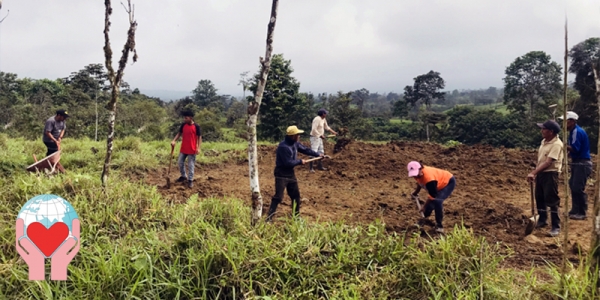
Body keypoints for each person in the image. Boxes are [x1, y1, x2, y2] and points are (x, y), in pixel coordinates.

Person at [267, 125, 328, 221]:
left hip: (290, 173)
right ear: (292, 136)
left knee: (295, 196)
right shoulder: (283, 147)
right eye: (298, 135)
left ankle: (296, 216)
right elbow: (287, 163)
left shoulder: (295, 143)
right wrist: (300, 161)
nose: (299, 136)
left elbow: (306, 150)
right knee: (278, 197)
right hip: (281, 173)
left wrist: (318, 154)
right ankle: (269, 218)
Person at [528, 120, 564, 237]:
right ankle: (542, 220)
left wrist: (534, 172)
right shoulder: (544, 141)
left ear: (551, 131)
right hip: (542, 173)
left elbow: (548, 162)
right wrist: (537, 172)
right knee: (539, 197)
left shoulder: (557, 144)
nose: (541, 131)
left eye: (544, 129)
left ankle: (556, 226)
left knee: (551, 199)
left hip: (551, 174)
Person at [559, 111, 592, 220]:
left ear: (571, 122)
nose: (564, 124)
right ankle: (575, 209)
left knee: (577, 187)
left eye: (565, 122)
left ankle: (582, 212)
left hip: (582, 163)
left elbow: (575, 148)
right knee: (572, 184)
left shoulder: (576, 132)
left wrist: (563, 145)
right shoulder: (574, 131)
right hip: (578, 161)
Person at [408, 161, 456, 233]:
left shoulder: (429, 178)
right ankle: (423, 220)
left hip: (448, 182)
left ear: (420, 168)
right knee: (431, 204)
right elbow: (420, 182)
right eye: (414, 175)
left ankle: (439, 226)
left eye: (416, 174)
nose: (415, 176)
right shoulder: (417, 175)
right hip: (437, 183)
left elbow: (432, 195)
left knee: (437, 201)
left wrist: (424, 207)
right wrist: (415, 193)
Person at [171, 111, 202, 188]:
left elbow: (199, 137)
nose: (184, 119)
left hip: (192, 149)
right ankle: (183, 176)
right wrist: (174, 140)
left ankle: (190, 180)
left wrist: (198, 148)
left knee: (191, 165)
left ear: (191, 118)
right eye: (184, 118)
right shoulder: (183, 125)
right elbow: (179, 133)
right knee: (180, 162)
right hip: (184, 148)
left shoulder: (196, 126)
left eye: (186, 118)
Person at [42, 109, 69, 173]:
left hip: (57, 140)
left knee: (51, 153)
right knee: (54, 152)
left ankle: (47, 165)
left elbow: (63, 129)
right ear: (59, 115)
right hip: (49, 140)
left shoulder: (62, 121)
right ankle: (60, 169)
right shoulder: (51, 121)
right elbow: (48, 133)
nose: (65, 118)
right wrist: (55, 140)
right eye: (64, 117)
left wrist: (60, 137)